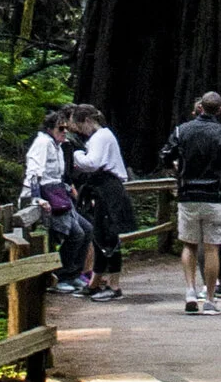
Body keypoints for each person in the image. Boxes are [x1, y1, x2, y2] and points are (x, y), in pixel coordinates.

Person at [162, 89, 221, 314]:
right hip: (215, 197)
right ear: (219, 109)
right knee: (212, 248)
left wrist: (177, 169)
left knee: (189, 244)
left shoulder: (182, 131)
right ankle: (209, 299)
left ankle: (190, 291)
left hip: (188, 195)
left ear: (200, 108)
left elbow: (165, 155)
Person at [67, 104, 135, 297]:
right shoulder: (101, 137)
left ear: (88, 121)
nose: (80, 131)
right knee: (99, 236)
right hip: (102, 188)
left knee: (109, 237)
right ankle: (94, 283)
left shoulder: (100, 137)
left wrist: (76, 154)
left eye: (80, 126)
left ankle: (114, 286)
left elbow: (92, 163)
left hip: (109, 188)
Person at [19, 106, 90, 288]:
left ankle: (72, 273)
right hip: (48, 195)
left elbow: (59, 174)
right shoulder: (42, 143)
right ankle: (61, 276)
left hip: (59, 194)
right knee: (75, 234)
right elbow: (34, 172)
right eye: (60, 128)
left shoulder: (58, 145)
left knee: (87, 230)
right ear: (49, 129)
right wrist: (36, 198)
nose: (64, 132)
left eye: (66, 128)